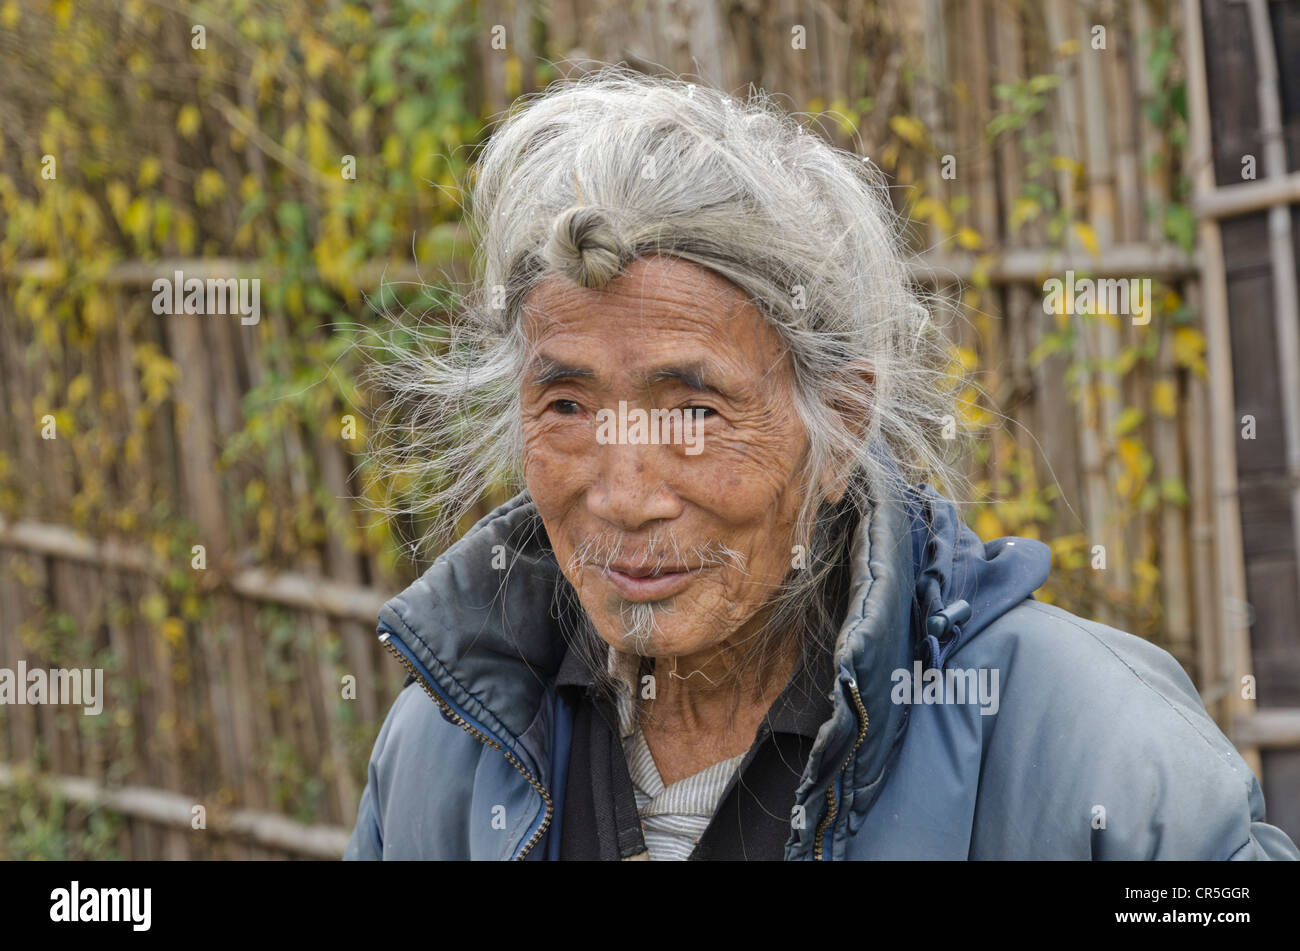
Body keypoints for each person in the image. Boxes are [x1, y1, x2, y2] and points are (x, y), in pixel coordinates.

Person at [344, 67, 1298, 860]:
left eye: (694, 410)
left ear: (840, 425)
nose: (625, 494)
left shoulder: (1092, 755)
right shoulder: (448, 751)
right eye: (569, 406)